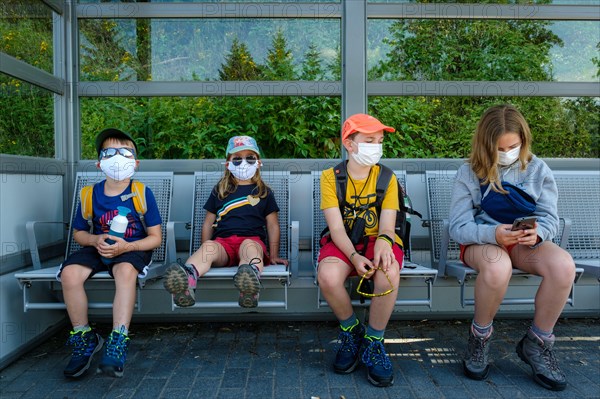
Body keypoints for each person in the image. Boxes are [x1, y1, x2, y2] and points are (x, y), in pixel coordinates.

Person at [449, 104, 576, 391]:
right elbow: (457, 226)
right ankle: (479, 338)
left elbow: (549, 219)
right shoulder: (469, 172)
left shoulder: (538, 169)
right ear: (485, 144)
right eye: (499, 148)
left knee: (563, 265)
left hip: (523, 243)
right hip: (481, 242)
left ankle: (538, 343)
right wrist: (492, 233)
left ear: (523, 140)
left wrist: (539, 233)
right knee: (498, 267)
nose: (507, 153)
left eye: (513, 146)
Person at [60, 128, 163, 378]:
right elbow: (79, 234)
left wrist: (127, 247)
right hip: (98, 246)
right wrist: (95, 239)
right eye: (110, 152)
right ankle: (85, 338)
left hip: (132, 249)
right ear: (99, 162)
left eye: (125, 152)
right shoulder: (89, 195)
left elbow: (155, 238)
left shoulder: (141, 193)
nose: (118, 157)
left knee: (125, 271)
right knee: (70, 274)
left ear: (135, 163)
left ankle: (118, 339)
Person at [318, 113, 402, 388]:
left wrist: (383, 241)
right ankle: (351, 329)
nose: (376, 146)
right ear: (350, 144)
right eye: (369, 140)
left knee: (387, 271)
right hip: (346, 243)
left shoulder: (387, 177)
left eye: (379, 141)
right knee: (328, 276)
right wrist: (354, 257)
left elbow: (388, 226)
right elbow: (337, 228)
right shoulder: (331, 178)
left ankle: (374, 341)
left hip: (378, 239)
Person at [164, 135, 287, 308]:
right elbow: (208, 223)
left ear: (258, 162)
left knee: (249, 250)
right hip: (223, 244)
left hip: (252, 240)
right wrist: (205, 248)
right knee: (209, 248)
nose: (243, 163)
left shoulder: (264, 192)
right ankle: (187, 281)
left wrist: (273, 254)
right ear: (228, 164)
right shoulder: (220, 190)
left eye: (250, 158)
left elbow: (273, 225)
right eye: (237, 160)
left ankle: (249, 287)